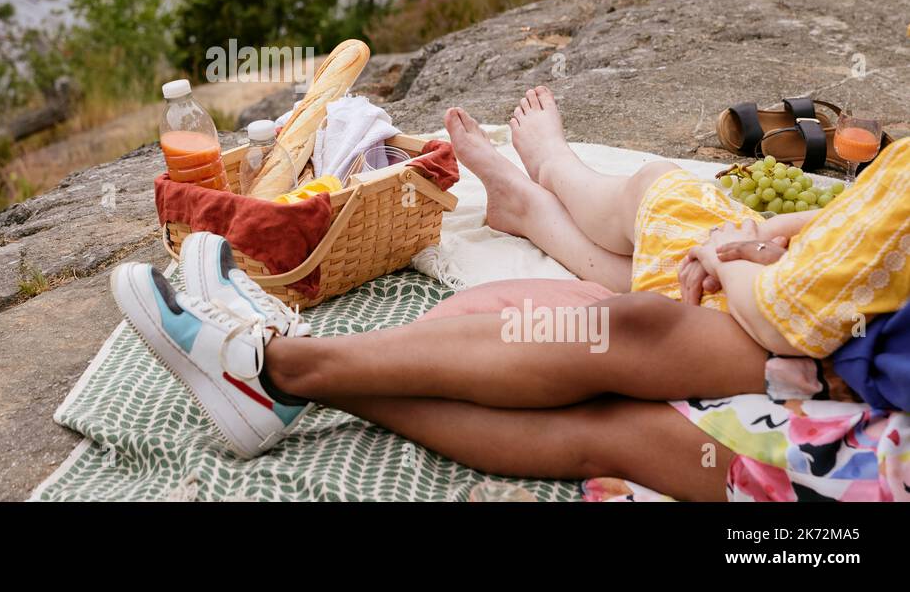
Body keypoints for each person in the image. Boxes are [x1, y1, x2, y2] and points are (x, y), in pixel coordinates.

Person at [109, 88, 910, 500]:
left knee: (615, 411)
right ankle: (280, 374)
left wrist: (730, 253)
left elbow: (783, 312)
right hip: (851, 358)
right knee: (530, 318)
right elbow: (866, 216)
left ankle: (280, 369)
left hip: (871, 454)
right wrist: (763, 236)